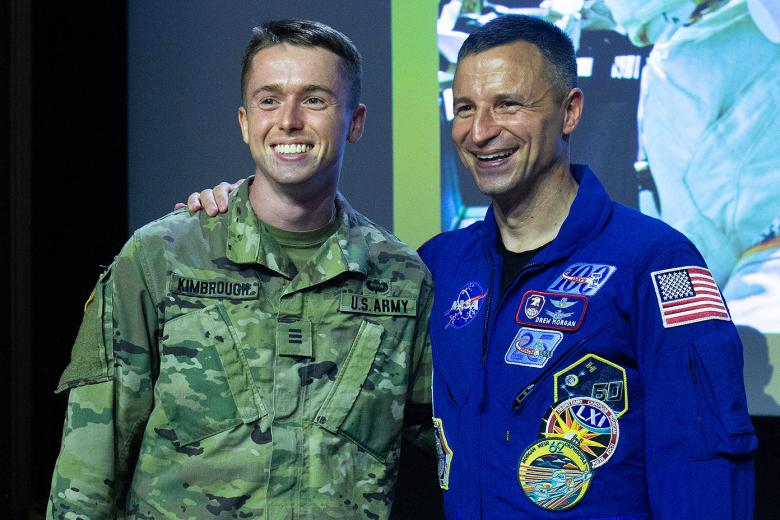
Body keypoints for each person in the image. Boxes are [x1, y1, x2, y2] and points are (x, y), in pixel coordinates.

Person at [189, 14, 756, 519]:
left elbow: (704, 462)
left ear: (570, 111)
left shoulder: (653, 262)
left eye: (508, 104)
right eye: (464, 108)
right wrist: (231, 211)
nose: (480, 131)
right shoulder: (436, 267)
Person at [47, 19, 434, 519]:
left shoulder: (402, 278)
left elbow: (434, 461)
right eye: (269, 100)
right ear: (245, 121)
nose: (289, 120)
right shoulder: (160, 257)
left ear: (355, 121)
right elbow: (88, 466)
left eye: (315, 99)